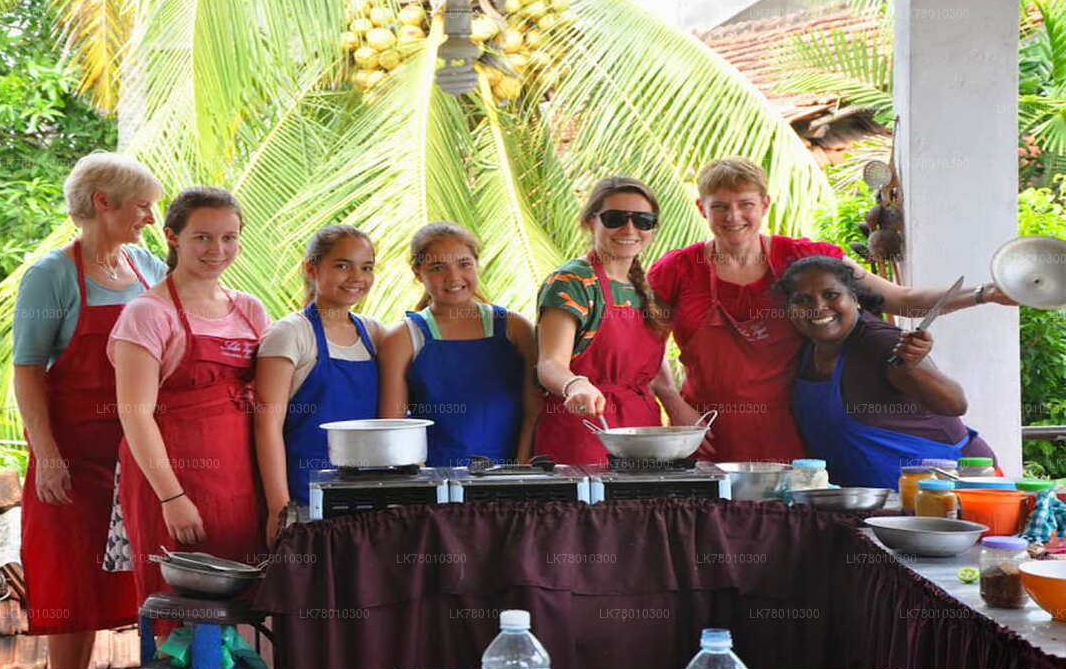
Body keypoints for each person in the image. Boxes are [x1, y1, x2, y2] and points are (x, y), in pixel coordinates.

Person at [647, 157, 1016, 463]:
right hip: (703, 429)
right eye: (720, 207)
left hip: (793, 429)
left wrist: (984, 294)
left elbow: (900, 298)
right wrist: (674, 406)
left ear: (765, 205)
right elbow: (644, 349)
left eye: (745, 204)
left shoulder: (804, 258)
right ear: (701, 208)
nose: (734, 217)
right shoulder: (676, 269)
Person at [12, 151, 166, 669]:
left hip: (138, 456)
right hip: (73, 462)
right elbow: (28, 369)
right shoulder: (51, 275)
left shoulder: (148, 267)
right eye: (143, 207)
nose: (151, 218)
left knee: (146, 586)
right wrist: (48, 456)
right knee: (73, 593)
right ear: (103, 202)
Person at [110, 187, 271, 605]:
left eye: (229, 237)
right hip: (171, 480)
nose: (217, 249)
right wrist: (172, 497)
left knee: (243, 605)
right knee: (179, 608)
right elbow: (135, 416)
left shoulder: (250, 310)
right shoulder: (147, 313)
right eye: (202, 237)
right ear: (172, 237)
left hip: (240, 479)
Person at [778, 256, 998, 488]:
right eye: (802, 300)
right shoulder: (805, 350)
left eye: (831, 295)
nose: (818, 307)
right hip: (867, 502)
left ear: (854, 298)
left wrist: (912, 368)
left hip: (946, 492)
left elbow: (955, 405)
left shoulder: (882, 343)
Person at [533, 177, 699, 464]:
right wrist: (575, 385)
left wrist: (673, 401)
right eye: (615, 218)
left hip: (643, 432)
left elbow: (647, 363)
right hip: (586, 429)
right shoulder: (573, 282)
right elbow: (550, 363)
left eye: (643, 221)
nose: (630, 229)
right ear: (590, 222)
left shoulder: (644, 288)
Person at [255, 225, 384, 538]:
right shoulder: (289, 333)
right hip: (305, 499)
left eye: (366, 268)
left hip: (369, 498)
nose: (357, 278)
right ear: (311, 268)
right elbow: (266, 426)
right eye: (342, 266)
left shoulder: (375, 333)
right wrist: (279, 508)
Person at [378, 223, 539, 467]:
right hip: (434, 483)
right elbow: (394, 426)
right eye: (437, 268)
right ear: (417, 272)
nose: (453, 277)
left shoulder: (515, 328)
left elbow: (534, 410)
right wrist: (425, 485)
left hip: (508, 477)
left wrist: (520, 470)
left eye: (464, 264)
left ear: (477, 264)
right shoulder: (402, 337)